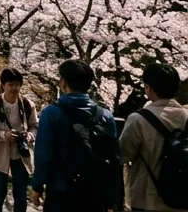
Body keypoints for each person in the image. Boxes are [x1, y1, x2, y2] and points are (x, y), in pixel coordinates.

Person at [31, 59, 122, 212]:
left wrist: (37, 186)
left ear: (63, 82)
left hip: (61, 188)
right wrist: (112, 196)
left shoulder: (51, 113)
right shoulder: (105, 115)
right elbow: (113, 157)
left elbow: (43, 154)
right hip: (95, 190)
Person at [121, 63, 188, 212]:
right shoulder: (186, 116)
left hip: (146, 198)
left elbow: (124, 154)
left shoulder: (137, 119)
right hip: (182, 197)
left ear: (149, 88)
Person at [0, 68, 37, 212]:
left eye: (17, 84)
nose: (14, 88)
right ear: (3, 85)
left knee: (21, 194)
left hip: (21, 154)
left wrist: (29, 136)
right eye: (11, 84)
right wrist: (4, 135)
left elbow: (34, 126)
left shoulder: (27, 104)